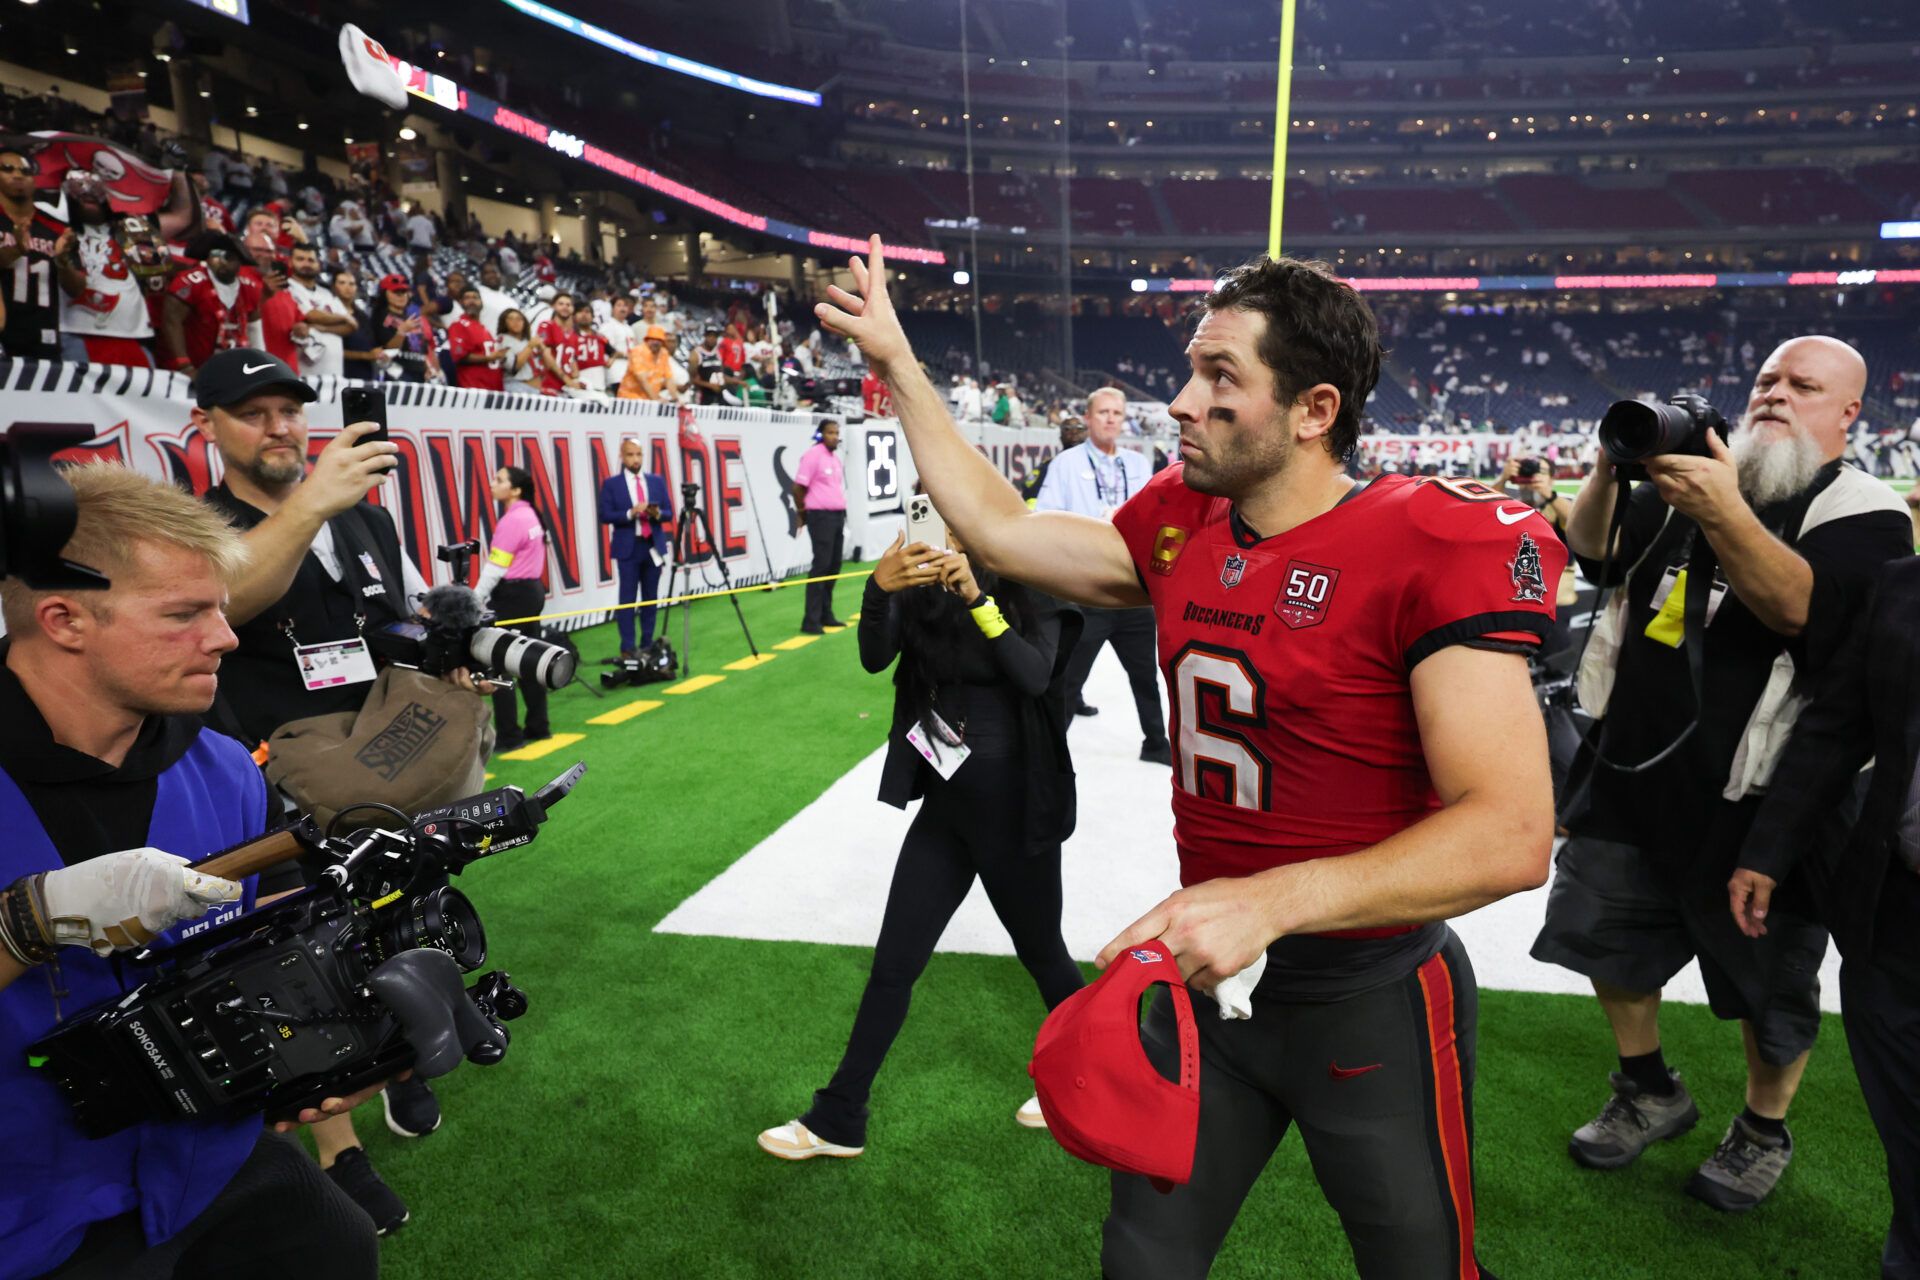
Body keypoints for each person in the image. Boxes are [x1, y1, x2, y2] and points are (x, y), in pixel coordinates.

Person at [817, 237, 1565, 1277]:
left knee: (1422, 1265)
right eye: (1189, 369)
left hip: (1368, 990)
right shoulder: (1180, 523)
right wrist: (901, 365)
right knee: (1143, 1260)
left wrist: (1271, 899)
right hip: (1214, 985)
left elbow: (1514, 832)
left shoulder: (1424, 542)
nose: (1179, 401)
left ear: (1315, 410)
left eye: (1221, 377)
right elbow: (998, 523)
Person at [1535, 336, 1912, 1211]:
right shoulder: (1697, 476)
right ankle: (1648, 1087)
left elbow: (1801, 610)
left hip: (1765, 796)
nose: (1777, 395)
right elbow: (1591, 554)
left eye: (1803, 385)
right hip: (1635, 764)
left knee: (1770, 977)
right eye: (1767, 381)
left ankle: (1761, 1127)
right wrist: (1611, 468)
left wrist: (1721, 513)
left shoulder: (1865, 512)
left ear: (1848, 411)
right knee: (1605, 934)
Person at [0, 461, 379, 1279]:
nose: (226, 636)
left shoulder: (224, 770)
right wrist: (29, 923)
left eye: (219, 605)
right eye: (184, 613)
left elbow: (245, 965)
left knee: (336, 1250)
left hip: (203, 1161)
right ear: (64, 619)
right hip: (24, 1207)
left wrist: (334, 1045)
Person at [194, 348, 471, 1232]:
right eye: (254, 412)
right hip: (274, 779)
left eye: (290, 409)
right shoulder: (199, 525)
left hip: (387, 761)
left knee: (401, 921)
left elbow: (384, 627)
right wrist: (312, 501)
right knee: (304, 962)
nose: (279, 427)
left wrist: (444, 661)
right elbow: (225, 601)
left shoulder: (361, 517)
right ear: (206, 426)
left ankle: (395, 1064)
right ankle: (336, 1150)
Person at [758, 529, 1083, 1159]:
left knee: (1044, 955)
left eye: (956, 515)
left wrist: (973, 597)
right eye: (931, 513)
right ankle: (839, 1117)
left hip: (1017, 807)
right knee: (893, 965)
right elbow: (875, 658)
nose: (944, 531)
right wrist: (878, 590)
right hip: (947, 805)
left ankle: (1095, 1077)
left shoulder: (1026, 577)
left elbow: (1035, 673)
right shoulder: (916, 585)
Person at [1730, 556, 1920, 1276]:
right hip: (1894, 907)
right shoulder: (1902, 584)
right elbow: (1838, 727)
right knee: (1907, 1124)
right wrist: (1769, 851)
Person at [1037, 386, 1170, 764]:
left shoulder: (1138, 464)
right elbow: (1045, 517)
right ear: (1089, 417)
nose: (1111, 418)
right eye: (1103, 412)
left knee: (1145, 675)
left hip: (1131, 592)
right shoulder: (1066, 464)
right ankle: (1048, 752)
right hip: (1087, 592)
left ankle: (1156, 743)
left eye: (1117, 412)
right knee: (1068, 678)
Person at [476, 466, 550, 752]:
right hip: (532, 592)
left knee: (500, 663)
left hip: (511, 595)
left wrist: (474, 601)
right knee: (530, 660)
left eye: (499, 480)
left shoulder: (512, 520)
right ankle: (539, 726)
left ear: (515, 489)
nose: (492, 483)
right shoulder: (530, 514)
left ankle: (509, 736)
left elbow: (495, 569)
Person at [0, 146, 82, 361]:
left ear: (35, 180)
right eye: (7, 169)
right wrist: (16, 248)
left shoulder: (57, 228)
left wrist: (63, 260)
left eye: (26, 171)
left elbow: (77, 289)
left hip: (42, 336)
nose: (18, 175)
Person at [598, 438, 674, 660]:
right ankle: (628, 647)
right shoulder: (612, 484)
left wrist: (656, 513)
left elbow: (669, 512)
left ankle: (648, 644)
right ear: (622, 457)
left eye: (639, 454)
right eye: (631, 455)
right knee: (627, 599)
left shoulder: (656, 481)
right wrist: (631, 513)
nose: (635, 459)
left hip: (653, 546)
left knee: (651, 598)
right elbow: (605, 515)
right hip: (628, 549)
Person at [159, 232, 263, 380]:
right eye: (215, 255)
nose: (221, 261)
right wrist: (184, 365)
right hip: (193, 369)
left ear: (240, 262)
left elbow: (254, 328)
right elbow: (171, 322)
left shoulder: (249, 289)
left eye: (228, 257)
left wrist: (259, 366)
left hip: (235, 370)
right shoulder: (190, 282)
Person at [793, 420, 848, 635]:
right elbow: (798, 487)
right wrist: (802, 512)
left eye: (836, 432)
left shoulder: (834, 459)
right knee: (821, 566)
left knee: (834, 566)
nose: (834, 436)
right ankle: (811, 620)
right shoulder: (813, 455)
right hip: (820, 517)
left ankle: (826, 614)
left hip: (836, 517)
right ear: (820, 435)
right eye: (830, 432)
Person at [447, 285, 507, 392]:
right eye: (467, 298)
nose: (472, 301)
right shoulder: (459, 325)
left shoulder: (482, 327)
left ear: (481, 302)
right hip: (474, 388)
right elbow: (460, 357)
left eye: (475, 297)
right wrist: (489, 358)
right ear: (461, 302)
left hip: (492, 388)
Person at [1023, 416, 1087, 509]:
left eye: (1079, 428)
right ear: (1061, 437)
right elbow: (1030, 495)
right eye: (1067, 429)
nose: (1074, 432)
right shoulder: (1049, 466)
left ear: (1087, 433)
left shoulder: (1099, 465)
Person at [617, 324, 679, 401]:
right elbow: (642, 379)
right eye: (652, 339)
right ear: (647, 340)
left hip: (648, 400)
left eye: (658, 340)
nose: (655, 342)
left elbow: (669, 378)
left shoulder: (664, 353)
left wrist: (676, 399)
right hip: (629, 399)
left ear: (663, 342)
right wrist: (656, 399)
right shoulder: (638, 351)